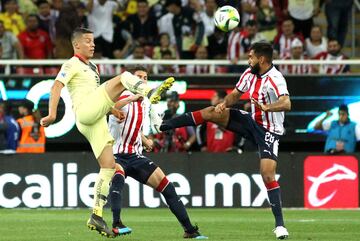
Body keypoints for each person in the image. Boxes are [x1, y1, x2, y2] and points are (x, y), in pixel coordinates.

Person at [40, 27, 174, 238]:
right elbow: (56, 87)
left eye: (93, 41)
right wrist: (51, 115)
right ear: (76, 45)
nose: (92, 44)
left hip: (94, 119)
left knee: (109, 166)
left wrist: (112, 109)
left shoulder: (93, 67)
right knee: (123, 78)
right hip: (84, 112)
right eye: (87, 41)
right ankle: (149, 91)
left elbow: (97, 95)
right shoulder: (71, 63)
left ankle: (96, 214)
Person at [151, 42, 290, 239]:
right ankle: (163, 125)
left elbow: (287, 102)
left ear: (262, 59)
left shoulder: (275, 78)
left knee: (267, 174)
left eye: (251, 57)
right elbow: (235, 94)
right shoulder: (249, 74)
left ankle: (280, 226)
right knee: (210, 112)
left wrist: (269, 108)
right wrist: (224, 104)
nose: (248, 60)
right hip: (250, 121)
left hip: (269, 130)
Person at [108, 66, 207, 239]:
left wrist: (145, 139)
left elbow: (141, 127)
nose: (142, 80)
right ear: (130, 79)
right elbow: (109, 107)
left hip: (135, 156)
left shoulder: (145, 103)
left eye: (145, 77)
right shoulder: (121, 96)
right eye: (139, 77)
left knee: (167, 187)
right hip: (115, 154)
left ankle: (189, 230)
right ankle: (116, 224)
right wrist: (132, 97)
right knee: (117, 179)